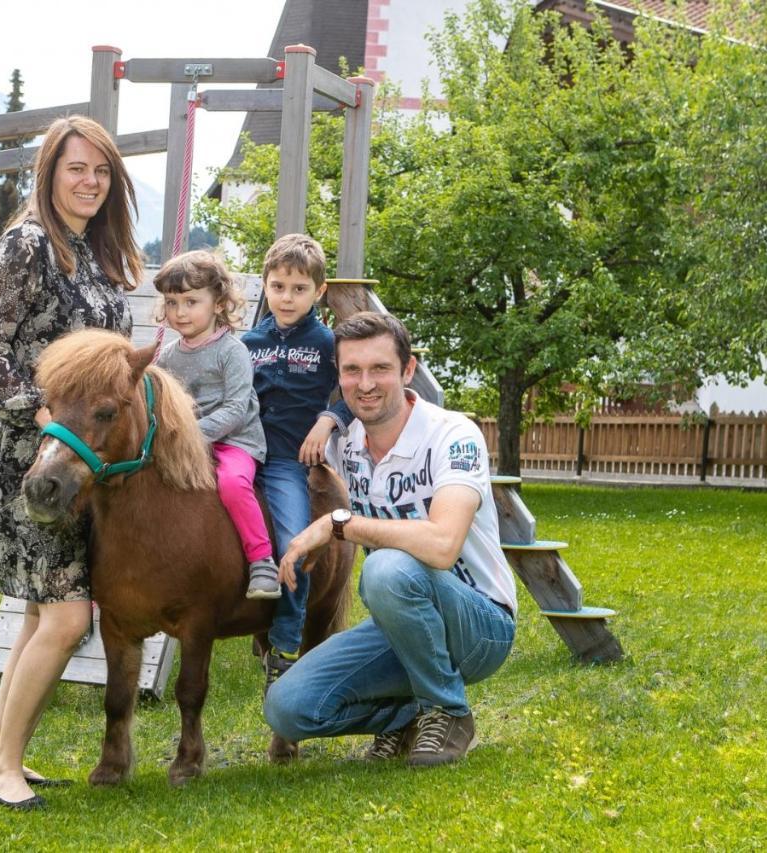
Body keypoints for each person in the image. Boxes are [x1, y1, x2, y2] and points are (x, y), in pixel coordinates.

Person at [0, 115, 143, 810]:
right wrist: (40, 415)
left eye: (101, 171)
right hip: (29, 458)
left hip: (75, 462)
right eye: (77, 169)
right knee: (66, 618)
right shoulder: (27, 243)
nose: (90, 182)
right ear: (49, 172)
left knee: (43, 616)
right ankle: (5, 766)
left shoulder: (87, 251)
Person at [263, 311, 517, 767]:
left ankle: (448, 710)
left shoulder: (453, 435)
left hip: (480, 624)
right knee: (286, 708)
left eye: (380, 368)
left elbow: (443, 545)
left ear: (407, 369)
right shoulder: (345, 444)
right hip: (400, 625)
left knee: (386, 567)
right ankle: (405, 715)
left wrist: (339, 526)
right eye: (351, 371)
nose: (365, 384)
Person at [239, 234, 349, 685]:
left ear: (319, 292)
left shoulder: (328, 343)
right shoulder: (248, 341)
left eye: (299, 288)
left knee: (294, 545)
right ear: (265, 285)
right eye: (278, 286)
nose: (287, 297)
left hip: (285, 461)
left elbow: (349, 395)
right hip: (242, 452)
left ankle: (285, 640)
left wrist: (326, 421)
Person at [152, 250, 278, 599]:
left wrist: (191, 436)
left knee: (233, 484)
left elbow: (237, 408)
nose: (180, 312)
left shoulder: (232, 351)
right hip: (186, 443)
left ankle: (261, 561)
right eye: (172, 302)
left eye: (191, 301)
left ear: (219, 303)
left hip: (236, 442)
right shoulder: (169, 356)